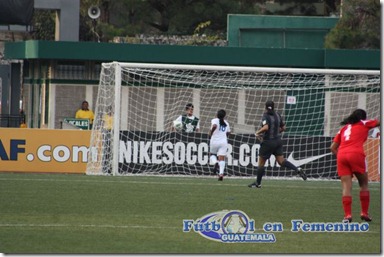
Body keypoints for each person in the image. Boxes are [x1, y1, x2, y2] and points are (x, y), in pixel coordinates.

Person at [330, 109, 380, 222]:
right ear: (363, 118)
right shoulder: (364, 123)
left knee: (346, 187)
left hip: (342, 155)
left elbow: (332, 147)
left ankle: (347, 216)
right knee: (363, 184)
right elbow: (378, 122)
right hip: (356, 154)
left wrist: (342, 156)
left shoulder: (343, 128)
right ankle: (364, 213)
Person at [248, 100, 307, 188]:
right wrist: (276, 131)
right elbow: (283, 128)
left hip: (268, 142)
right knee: (281, 161)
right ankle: (297, 169)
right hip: (278, 141)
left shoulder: (266, 115)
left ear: (265, 107)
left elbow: (266, 127)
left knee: (261, 163)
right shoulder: (278, 115)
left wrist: (257, 132)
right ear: (274, 106)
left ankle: (258, 183)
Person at [209, 109, 230, 181]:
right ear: (224, 116)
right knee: (222, 158)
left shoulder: (215, 120)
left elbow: (214, 126)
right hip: (223, 142)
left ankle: (215, 162)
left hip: (214, 141)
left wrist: (211, 133)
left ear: (217, 114)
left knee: (212, 154)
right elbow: (228, 133)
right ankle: (221, 174)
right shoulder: (226, 123)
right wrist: (225, 137)